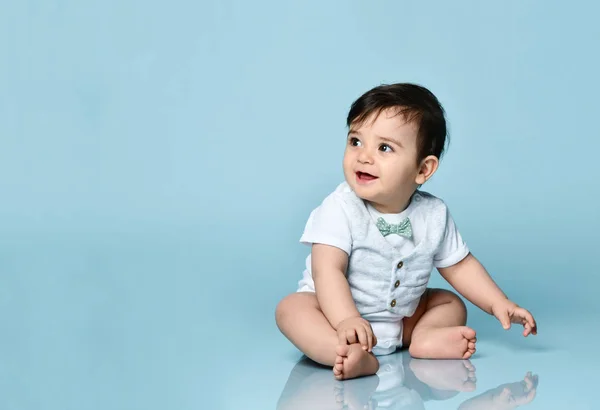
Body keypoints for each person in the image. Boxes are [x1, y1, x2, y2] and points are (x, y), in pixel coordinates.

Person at [275, 83, 538, 380]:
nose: (363, 157)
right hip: (333, 316)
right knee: (292, 309)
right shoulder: (339, 208)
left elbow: (461, 265)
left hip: (402, 321)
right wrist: (347, 319)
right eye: (355, 141)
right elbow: (327, 271)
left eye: (384, 148)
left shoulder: (433, 214)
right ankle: (343, 351)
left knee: (448, 301)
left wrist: (498, 303)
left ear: (423, 170)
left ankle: (427, 337)